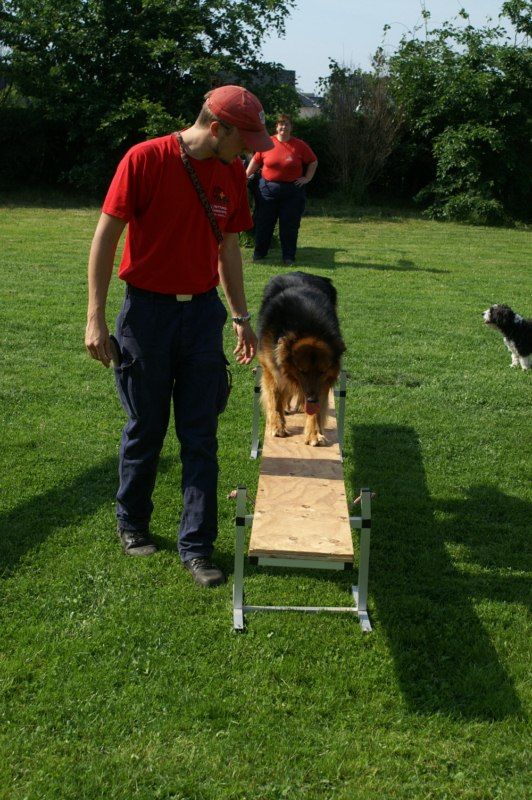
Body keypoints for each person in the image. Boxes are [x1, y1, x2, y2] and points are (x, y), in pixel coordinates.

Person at [85, 85, 273, 587]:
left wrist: (240, 315)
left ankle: (197, 547)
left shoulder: (231, 172)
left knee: (200, 434)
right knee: (145, 428)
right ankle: (132, 522)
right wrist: (95, 316)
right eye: (244, 138)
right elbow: (106, 237)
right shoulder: (145, 159)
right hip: (146, 316)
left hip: (202, 317)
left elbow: (229, 248)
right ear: (216, 128)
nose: (250, 150)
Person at [246, 114, 318, 265]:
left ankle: (288, 257)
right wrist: (244, 176)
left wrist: (307, 178)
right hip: (267, 191)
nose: (283, 127)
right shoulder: (267, 143)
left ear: (291, 127)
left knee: (289, 225)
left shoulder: (299, 145)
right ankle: (259, 254)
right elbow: (256, 161)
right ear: (276, 127)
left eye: (287, 124)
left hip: (292, 192)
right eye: (281, 124)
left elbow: (313, 161)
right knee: (264, 223)